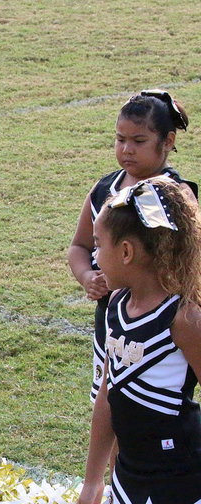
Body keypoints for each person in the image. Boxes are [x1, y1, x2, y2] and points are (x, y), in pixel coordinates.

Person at [77, 178, 201, 504]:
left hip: (179, 477)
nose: (95, 257)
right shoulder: (115, 307)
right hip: (130, 472)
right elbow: (108, 396)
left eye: (99, 246)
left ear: (127, 251)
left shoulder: (184, 317)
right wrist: (93, 480)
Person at [68, 89, 196, 403]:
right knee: (109, 402)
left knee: (152, 404)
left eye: (139, 141)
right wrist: (87, 277)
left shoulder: (175, 196)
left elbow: (189, 259)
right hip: (111, 318)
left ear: (167, 141)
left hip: (159, 324)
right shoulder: (103, 189)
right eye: (120, 139)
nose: (126, 149)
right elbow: (79, 246)